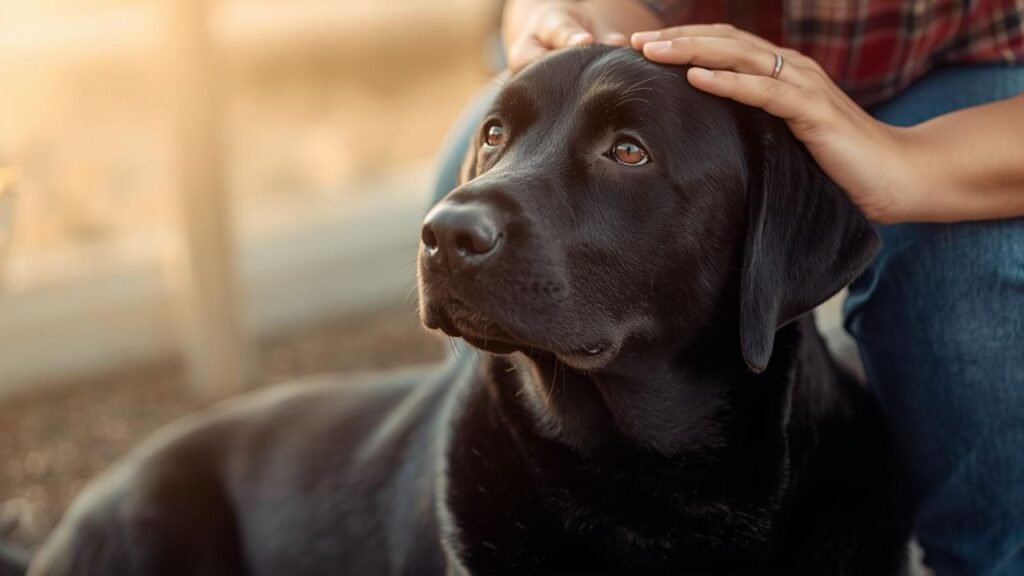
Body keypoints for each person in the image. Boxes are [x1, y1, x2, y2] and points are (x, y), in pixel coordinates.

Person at [432, 1, 1024, 574]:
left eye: (624, 152)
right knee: (463, 157)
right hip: (693, 83)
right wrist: (572, 20)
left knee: (960, 278)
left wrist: (906, 163)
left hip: (969, 70)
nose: (452, 223)